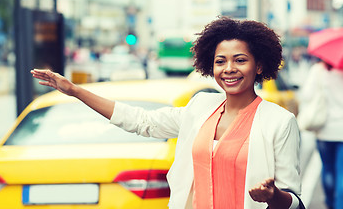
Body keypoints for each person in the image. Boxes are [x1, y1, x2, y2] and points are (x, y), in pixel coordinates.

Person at [31, 16, 303, 209]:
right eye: (220, 61)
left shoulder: (279, 122)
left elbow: (294, 201)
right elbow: (141, 121)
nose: (228, 68)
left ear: (258, 66)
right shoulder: (200, 108)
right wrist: (75, 91)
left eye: (240, 60)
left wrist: (272, 195)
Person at [299, 60, 343, 209]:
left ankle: (330, 202)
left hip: (324, 130)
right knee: (341, 173)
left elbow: (306, 95)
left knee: (328, 168)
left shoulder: (319, 70)